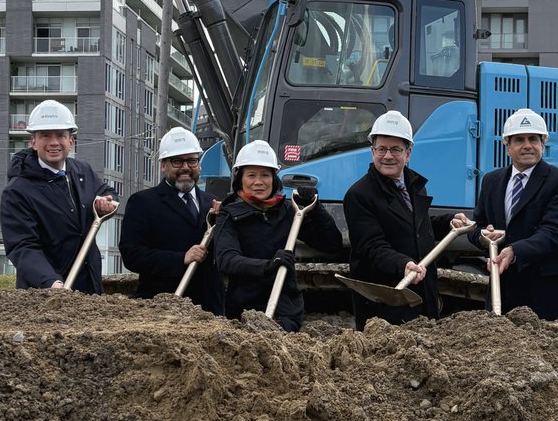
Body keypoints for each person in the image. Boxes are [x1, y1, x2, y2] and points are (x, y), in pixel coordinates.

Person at [455, 108, 558, 320]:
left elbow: (554, 232)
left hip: (546, 294)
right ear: (508, 147)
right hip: (503, 289)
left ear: (543, 143)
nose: (527, 145)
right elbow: (479, 227)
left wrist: (514, 251)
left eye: (533, 139)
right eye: (519, 140)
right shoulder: (491, 181)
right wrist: (484, 236)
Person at [213, 140, 342, 331]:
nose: (259, 181)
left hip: (285, 307)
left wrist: (316, 210)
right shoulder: (229, 214)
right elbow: (226, 260)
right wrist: (268, 266)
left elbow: (331, 244)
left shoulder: (288, 211)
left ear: (274, 178)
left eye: (265, 175)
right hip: (244, 308)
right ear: (240, 178)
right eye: (251, 175)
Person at [343, 110, 450, 330]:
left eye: (395, 149)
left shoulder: (414, 184)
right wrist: (402, 264)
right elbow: (371, 246)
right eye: (381, 149)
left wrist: (449, 222)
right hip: (386, 303)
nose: (388, 156)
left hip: (422, 295)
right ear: (372, 151)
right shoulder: (359, 195)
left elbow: (417, 227)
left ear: (408, 153)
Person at [0, 99, 117, 293]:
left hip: (89, 287)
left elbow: (108, 192)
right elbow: (22, 246)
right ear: (33, 142)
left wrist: (106, 203)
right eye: (45, 135)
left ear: (70, 141)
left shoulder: (82, 171)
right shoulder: (17, 191)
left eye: (61, 135)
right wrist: (51, 282)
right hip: (46, 294)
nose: (54, 142)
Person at [118, 127, 225, 312]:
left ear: (199, 164)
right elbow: (132, 255)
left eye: (191, 160)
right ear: (163, 165)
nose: (185, 167)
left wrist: (222, 224)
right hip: (164, 309)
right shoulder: (142, 202)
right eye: (177, 161)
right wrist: (180, 259)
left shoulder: (212, 203)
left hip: (210, 309)